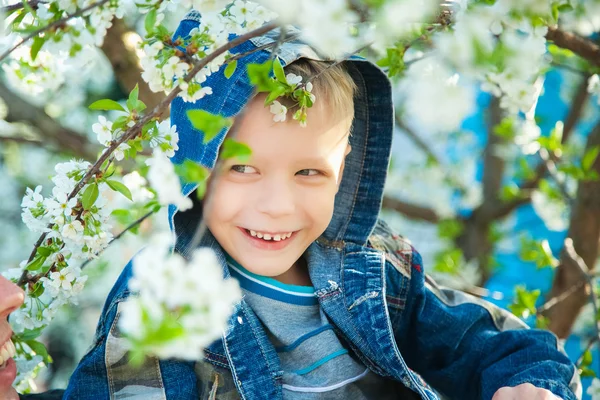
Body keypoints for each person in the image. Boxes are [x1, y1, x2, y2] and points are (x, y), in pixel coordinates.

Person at [62, 9, 582, 400]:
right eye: (242, 168)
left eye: (309, 172)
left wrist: (529, 385)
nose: (277, 206)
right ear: (197, 165)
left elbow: (499, 343)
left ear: (346, 166)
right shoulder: (161, 300)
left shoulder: (373, 269)